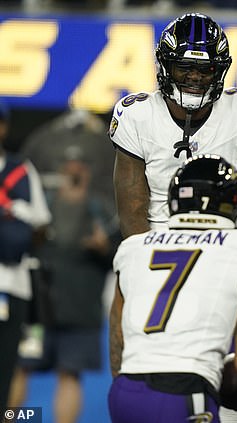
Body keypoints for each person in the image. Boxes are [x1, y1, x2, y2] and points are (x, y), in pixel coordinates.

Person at [108, 154, 237, 422]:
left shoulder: (133, 248)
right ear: (235, 203)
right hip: (185, 390)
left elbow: (118, 350)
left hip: (125, 393)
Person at [109, 12, 237, 240]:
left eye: (206, 69)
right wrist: (147, 265)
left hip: (225, 247)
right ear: (166, 66)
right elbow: (133, 215)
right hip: (158, 244)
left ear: (219, 71)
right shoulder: (137, 116)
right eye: (185, 66)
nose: (195, 76)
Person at [9, 145, 116, 423]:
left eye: (80, 164)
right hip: (37, 309)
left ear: (89, 171)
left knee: (70, 373)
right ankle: (10, 420)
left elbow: (122, 257)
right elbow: (20, 241)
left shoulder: (102, 209)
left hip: (81, 309)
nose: (74, 168)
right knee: (19, 368)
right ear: (59, 169)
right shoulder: (41, 203)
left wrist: (105, 247)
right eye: (68, 164)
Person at [0, 100, 51, 412]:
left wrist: (14, 236)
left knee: (8, 368)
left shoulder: (20, 170)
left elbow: (42, 225)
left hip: (13, 284)